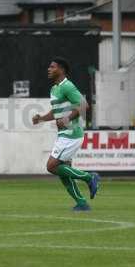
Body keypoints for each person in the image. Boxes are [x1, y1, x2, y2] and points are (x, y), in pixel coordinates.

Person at [32, 57, 100, 211]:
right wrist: (42, 118)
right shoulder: (54, 89)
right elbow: (56, 113)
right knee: (63, 172)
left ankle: (90, 177)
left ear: (61, 70)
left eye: (52, 67)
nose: (49, 69)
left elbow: (84, 105)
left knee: (51, 166)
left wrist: (68, 118)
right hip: (64, 134)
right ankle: (82, 203)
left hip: (71, 134)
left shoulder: (67, 86)